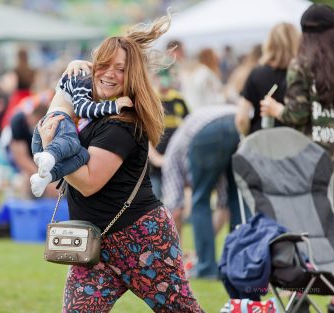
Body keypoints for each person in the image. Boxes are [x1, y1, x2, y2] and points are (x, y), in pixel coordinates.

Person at [38, 13, 204, 312]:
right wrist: (68, 76)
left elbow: (88, 182)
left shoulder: (123, 123)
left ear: (133, 77)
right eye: (104, 65)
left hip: (143, 242)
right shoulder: (92, 111)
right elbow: (57, 112)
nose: (110, 74)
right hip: (95, 245)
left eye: (121, 69)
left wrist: (54, 151)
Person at [260, 5, 334, 312]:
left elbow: (296, 115)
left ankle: (299, 300)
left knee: (302, 237)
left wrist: (274, 109)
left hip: (310, 172)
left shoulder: (301, 66)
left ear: (305, 33)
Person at [162, 104, 241, 279]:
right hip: (238, 122)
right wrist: (202, 247)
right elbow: (224, 204)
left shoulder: (171, 159)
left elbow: (174, 210)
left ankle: (206, 269)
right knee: (236, 200)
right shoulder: (187, 150)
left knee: (200, 200)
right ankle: (239, 266)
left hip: (208, 130)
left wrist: (177, 256)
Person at [29, 73, 133, 197]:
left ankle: (46, 177)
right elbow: (82, 108)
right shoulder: (82, 79)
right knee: (71, 142)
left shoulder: (87, 79)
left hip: (53, 133)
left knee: (83, 155)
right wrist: (114, 105)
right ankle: (50, 154)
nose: (109, 75)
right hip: (58, 121)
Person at [235, 22, 300, 136]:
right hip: (293, 141)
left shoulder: (256, 73)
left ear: (270, 43)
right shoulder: (300, 75)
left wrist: (247, 137)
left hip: (261, 140)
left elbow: (241, 119)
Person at [148, 67, 189, 199]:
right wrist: (155, 158)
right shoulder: (150, 99)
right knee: (155, 196)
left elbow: (188, 126)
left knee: (176, 200)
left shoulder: (178, 99)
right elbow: (143, 131)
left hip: (175, 158)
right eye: (160, 76)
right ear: (155, 78)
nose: (164, 80)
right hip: (155, 161)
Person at [0, 47, 36, 131]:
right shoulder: (31, 70)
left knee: (12, 120)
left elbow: (11, 86)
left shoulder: (16, 70)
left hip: (18, 97)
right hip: (29, 97)